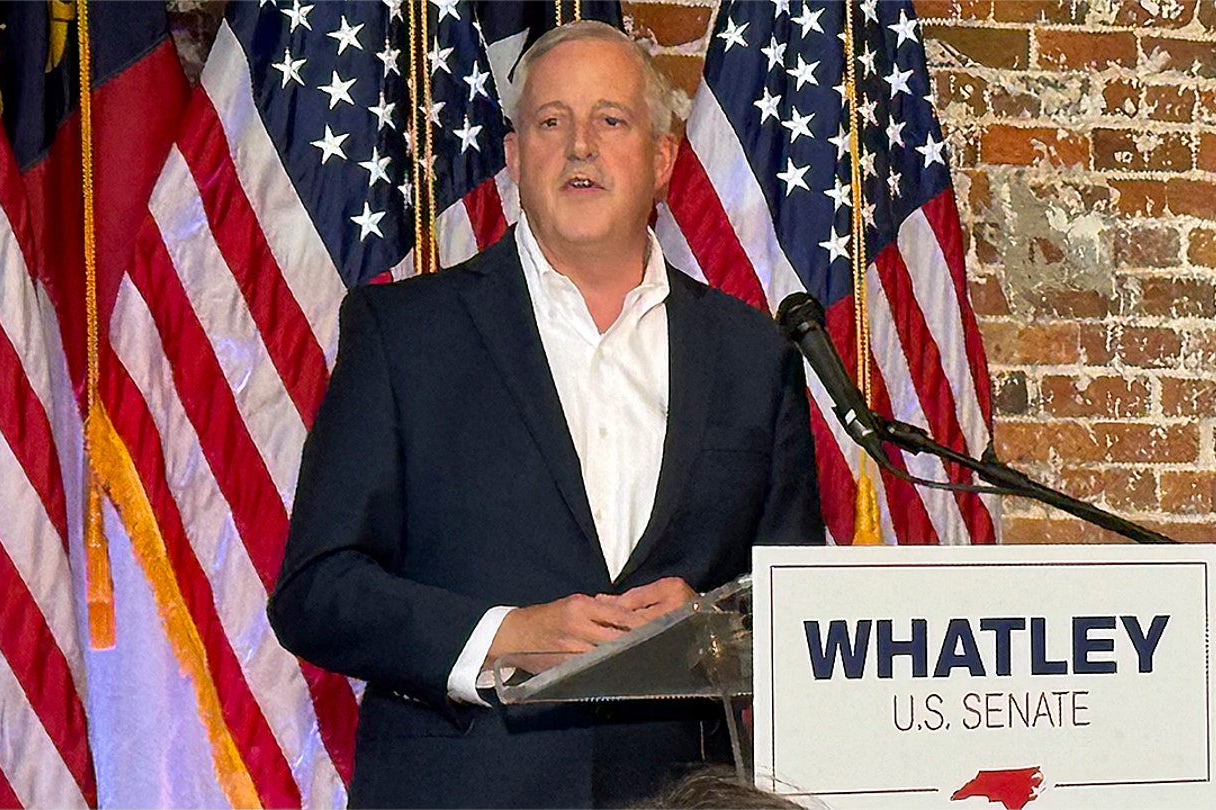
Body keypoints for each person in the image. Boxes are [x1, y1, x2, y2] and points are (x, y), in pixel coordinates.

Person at [269, 20, 823, 809]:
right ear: (515, 155)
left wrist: (709, 630)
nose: (580, 147)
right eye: (551, 122)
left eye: (611, 120)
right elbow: (316, 589)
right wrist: (505, 635)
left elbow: (794, 605)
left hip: (678, 795)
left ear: (662, 159)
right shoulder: (404, 335)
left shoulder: (753, 354)